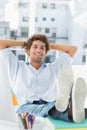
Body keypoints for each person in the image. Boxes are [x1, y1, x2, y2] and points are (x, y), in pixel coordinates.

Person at [0, 34, 86, 125]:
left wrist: (49, 46)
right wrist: (26, 43)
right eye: (35, 47)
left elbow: (72, 50)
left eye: (42, 48)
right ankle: (70, 107)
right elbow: (1, 43)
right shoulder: (17, 66)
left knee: (54, 107)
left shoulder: (53, 68)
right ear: (28, 50)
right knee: (53, 109)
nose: (39, 50)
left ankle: (71, 109)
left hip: (50, 104)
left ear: (46, 52)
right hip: (25, 107)